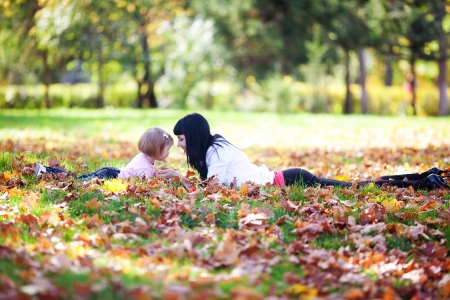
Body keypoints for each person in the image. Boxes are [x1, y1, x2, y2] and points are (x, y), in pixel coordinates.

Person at [155, 113, 449, 191]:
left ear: (192, 137)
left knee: (357, 186)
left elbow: (213, 189)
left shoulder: (215, 152)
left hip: (291, 179)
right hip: (286, 177)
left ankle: (424, 181)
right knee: (357, 185)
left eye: (181, 139)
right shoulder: (211, 151)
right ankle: (425, 177)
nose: (179, 145)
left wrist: (179, 179)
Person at [35, 127, 175, 181]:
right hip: (110, 175)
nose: (168, 152)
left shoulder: (145, 158)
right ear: (156, 150)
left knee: (79, 178)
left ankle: (45, 170)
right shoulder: (143, 168)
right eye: (167, 149)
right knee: (79, 180)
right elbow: (142, 183)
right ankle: (45, 172)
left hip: (112, 171)